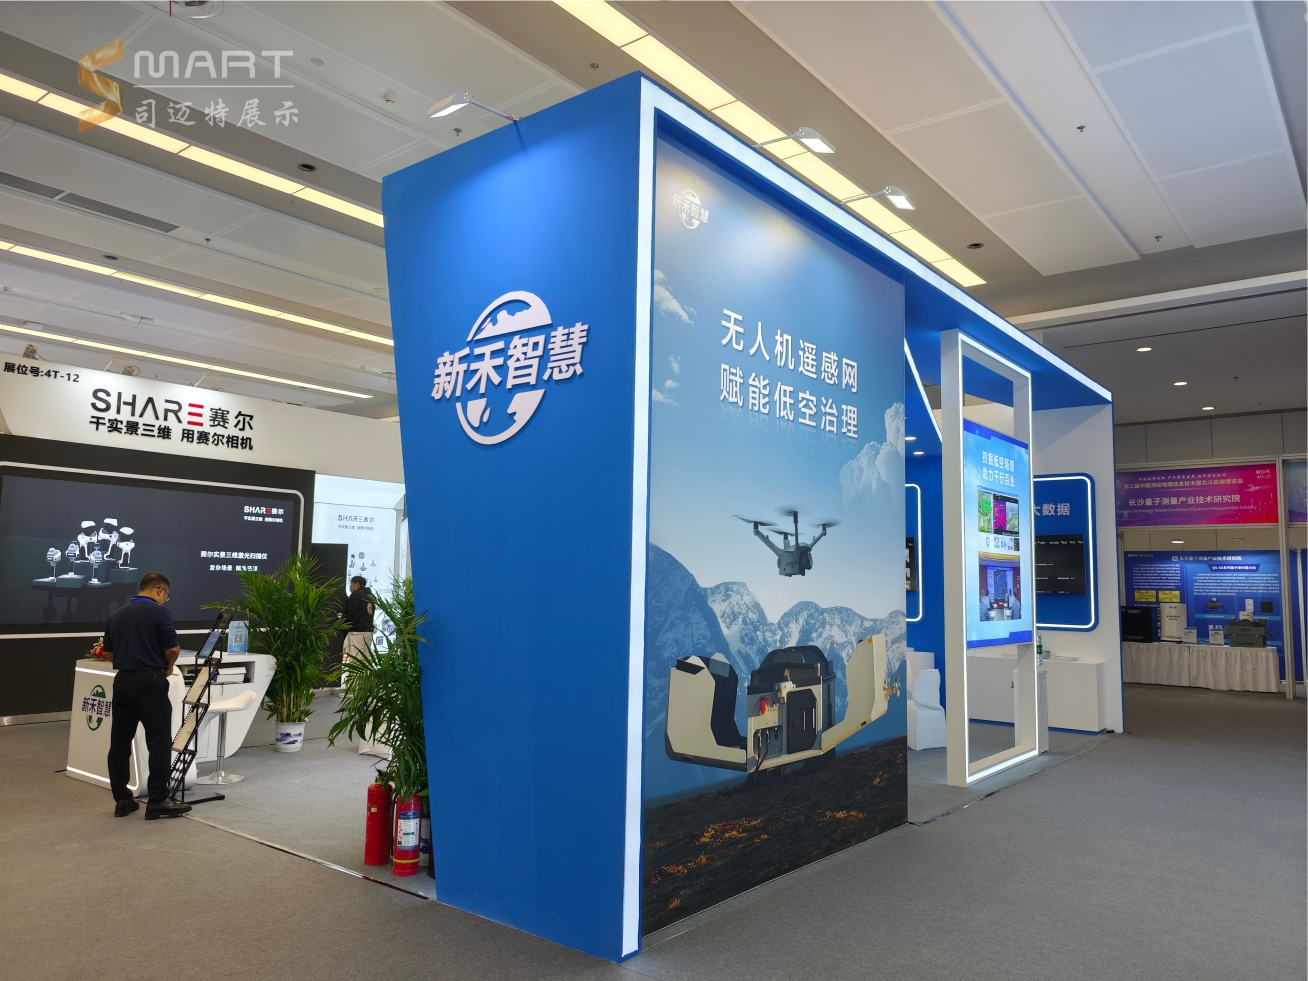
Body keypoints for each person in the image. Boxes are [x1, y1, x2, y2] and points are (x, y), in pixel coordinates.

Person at [102, 573, 190, 819]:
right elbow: (173, 648)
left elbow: (108, 653)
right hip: (149, 681)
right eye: (166, 595)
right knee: (158, 742)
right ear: (160, 590)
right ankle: (158, 800)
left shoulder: (117, 614)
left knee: (120, 744)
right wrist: (168, 667)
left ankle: (122, 800)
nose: (165, 600)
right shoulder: (159, 613)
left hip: (122, 682)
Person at [343, 575, 374, 663]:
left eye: (351, 584)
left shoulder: (356, 595)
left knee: (355, 659)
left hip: (357, 631)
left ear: (357, 584)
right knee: (366, 660)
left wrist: (350, 627)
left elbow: (352, 612)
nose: (350, 587)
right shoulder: (370, 595)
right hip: (368, 631)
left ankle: (355, 673)